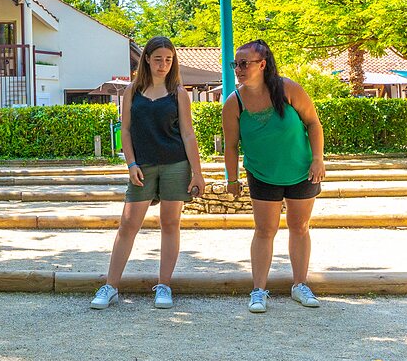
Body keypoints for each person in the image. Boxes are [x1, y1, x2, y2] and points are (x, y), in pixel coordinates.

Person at [91, 37, 205, 311]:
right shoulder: (132, 91)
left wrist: (198, 173)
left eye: (168, 59)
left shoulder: (179, 93)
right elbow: (126, 131)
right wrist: (131, 164)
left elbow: (188, 134)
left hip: (175, 164)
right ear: (146, 60)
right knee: (128, 224)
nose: (163, 64)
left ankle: (164, 285)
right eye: (158, 59)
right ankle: (111, 286)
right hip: (142, 166)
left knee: (170, 224)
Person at [222, 40, 326, 314]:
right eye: (237, 64)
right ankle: (258, 290)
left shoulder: (288, 88)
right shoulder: (234, 102)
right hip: (262, 173)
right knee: (265, 230)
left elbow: (313, 123)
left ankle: (300, 284)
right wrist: (232, 179)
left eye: (245, 63)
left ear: (262, 64)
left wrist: (318, 159)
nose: (239, 69)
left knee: (299, 226)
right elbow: (231, 145)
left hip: (301, 170)